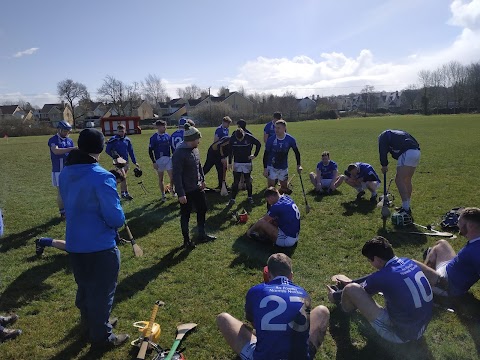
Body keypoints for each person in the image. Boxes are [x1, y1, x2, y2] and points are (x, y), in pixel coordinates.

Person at [59, 128, 129, 348]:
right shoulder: (102, 177)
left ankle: (92, 323)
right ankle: (101, 336)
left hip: (75, 242)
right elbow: (116, 218)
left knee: (85, 287)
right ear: (99, 149)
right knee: (102, 291)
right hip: (100, 246)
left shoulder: (66, 172)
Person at [216, 253, 330, 359]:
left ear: (268, 273)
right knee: (322, 311)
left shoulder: (256, 291)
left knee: (223, 318)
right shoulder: (303, 293)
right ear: (291, 275)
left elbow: (253, 322)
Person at [327, 236, 433, 344]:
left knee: (351, 290)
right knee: (353, 286)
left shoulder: (384, 276)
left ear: (377, 259)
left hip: (401, 334)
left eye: (370, 260)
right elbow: (375, 276)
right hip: (420, 326)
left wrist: (334, 295)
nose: (370, 264)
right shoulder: (407, 262)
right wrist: (352, 281)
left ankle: (343, 310)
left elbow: (360, 289)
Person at [414, 207, 480, 298]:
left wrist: (442, 283)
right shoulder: (476, 241)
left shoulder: (477, 252)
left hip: (447, 285)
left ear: (471, 226)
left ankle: (426, 284)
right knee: (442, 243)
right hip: (449, 270)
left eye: (460, 222)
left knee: (411, 264)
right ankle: (428, 274)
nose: (458, 225)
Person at [172, 124, 216, 248]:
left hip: (197, 187)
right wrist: (181, 193)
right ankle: (186, 241)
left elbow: (199, 165)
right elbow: (177, 175)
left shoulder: (195, 149)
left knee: (203, 209)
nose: (199, 141)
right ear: (191, 139)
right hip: (186, 190)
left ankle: (201, 235)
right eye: (198, 139)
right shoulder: (179, 153)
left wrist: (202, 179)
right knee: (186, 215)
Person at [378, 129, 420, 216]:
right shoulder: (397, 134)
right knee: (407, 180)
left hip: (407, 152)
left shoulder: (383, 137)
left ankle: (406, 209)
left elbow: (382, 151)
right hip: (416, 152)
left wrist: (384, 165)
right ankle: (406, 206)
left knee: (399, 180)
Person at [263, 120, 302, 193]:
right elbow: (266, 154)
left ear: (284, 128)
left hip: (283, 166)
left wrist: (298, 165)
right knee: (271, 188)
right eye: (275, 128)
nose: (276, 130)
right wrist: (265, 168)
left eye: (278, 128)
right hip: (272, 166)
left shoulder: (290, 139)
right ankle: (270, 204)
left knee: (284, 188)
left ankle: (280, 201)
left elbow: (296, 152)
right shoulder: (271, 140)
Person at [47, 120, 76, 219]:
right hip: (58, 170)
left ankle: (70, 210)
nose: (67, 133)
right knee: (61, 191)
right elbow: (56, 151)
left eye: (68, 131)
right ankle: (63, 212)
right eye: (65, 131)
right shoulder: (53, 140)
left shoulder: (69, 140)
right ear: (59, 130)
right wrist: (71, 149)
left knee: (70, 191)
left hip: (69, 169)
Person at [106, 124, 140, 200]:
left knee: (122, 178)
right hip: (118, 163)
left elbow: (131, 151)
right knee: (123, 177)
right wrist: (115, 157)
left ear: (125, 131)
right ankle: (125, 193)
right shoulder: (113, 139)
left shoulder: (127, 140)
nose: (121, 133)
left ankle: (121, 193)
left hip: (126, 161)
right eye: (119, 131)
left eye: (122, 131)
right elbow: (107, 150)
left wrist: (135, 162)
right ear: (117, 131)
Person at [227, 129, 261, 205]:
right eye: (238, 139)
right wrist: (229, 162)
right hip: (237, 163)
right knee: (236, 181)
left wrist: (255, 155)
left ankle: (250, 197)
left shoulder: (249, 137)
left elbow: (258, 144)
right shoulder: (232, 138)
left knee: (248, 180)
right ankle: (232, 199)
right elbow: (230, 151)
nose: (239, 140)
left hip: (247, 163)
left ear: (243, 135)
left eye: (241, 139)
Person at [149, 120, 174, 202]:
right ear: (158, 127)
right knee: (161, 178)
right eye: (163, 127)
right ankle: (163, 195)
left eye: (165, 126)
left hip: (168, 159)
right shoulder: (153, 138)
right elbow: (150, 150)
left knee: (172, 177)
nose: (165, 128)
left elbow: (172, 147)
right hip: (159, 161)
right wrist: (154, 162)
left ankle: (172, 190)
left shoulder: (168, 136)